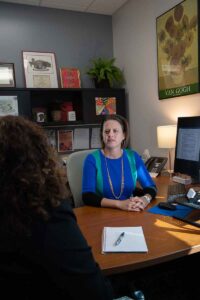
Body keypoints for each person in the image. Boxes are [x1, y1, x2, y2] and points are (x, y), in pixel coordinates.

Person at [0, 115, 113, 299]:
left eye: (115, 131)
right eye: (107, 131)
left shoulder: (131, 157)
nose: (111, 136)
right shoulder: (45, 212)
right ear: (40, 156)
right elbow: (95, 291)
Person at [82, 114, 157, 211]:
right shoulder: (92, 159)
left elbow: (151, 187)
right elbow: (87, 196)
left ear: (124, 135)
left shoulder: (133, 157)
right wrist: (119, 204)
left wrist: (145, 199)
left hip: (130, 211)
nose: (110, 134)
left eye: (115, 131)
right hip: (101, 213)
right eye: (107, 131)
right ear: (102, 135)